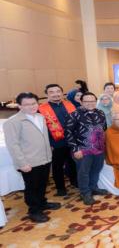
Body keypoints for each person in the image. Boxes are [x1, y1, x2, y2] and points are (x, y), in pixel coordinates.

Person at [4, 92, 61, 223]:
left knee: (43, 184)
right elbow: (13, 145)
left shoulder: (41, 117)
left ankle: (42, 203)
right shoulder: (13, 122)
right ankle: (34, 211)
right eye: (27, 104)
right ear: (19, 106)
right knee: (32, 187)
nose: (31, 106)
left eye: (34, 103)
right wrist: (22, 163)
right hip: (29, 162)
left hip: (45, 158)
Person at [65, 92, 108, 205]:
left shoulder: (100, 112)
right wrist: (75, 149)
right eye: (87, 101)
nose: (90, 103)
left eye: (92, 101)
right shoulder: (74, 114)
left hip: (99, 148)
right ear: (81, 102)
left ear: (96, 101)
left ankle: (93, 187)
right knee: (83, 172)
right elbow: (68, 132)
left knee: (96, 169)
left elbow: (104, 128)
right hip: (82, 149)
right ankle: (85, 192)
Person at [39, 84, 77, 196]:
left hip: (71, 141)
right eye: (51, 92)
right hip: (56, 143)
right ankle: (60, 187)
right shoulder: (41, 109)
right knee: (57, 167)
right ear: (46, 94)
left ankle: (74, 181)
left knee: (72, 163)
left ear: (62, 92)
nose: (55, 94)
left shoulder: (69, 104)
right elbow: (42, 129)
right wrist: (49, 143)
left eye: (58, 91)